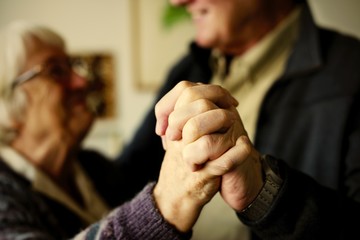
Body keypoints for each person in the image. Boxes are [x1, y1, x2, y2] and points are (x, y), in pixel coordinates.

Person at [115, 0, 360, 239]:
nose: (178, 2)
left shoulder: (352, 71)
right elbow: (123, 186)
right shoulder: (186, 70)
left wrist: (266, 195)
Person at [0, 20, 253, 239]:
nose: (82, 81)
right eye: (56, 71)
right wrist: (166, 206)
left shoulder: (94, 168)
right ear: (8, 105)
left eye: (72, 65)